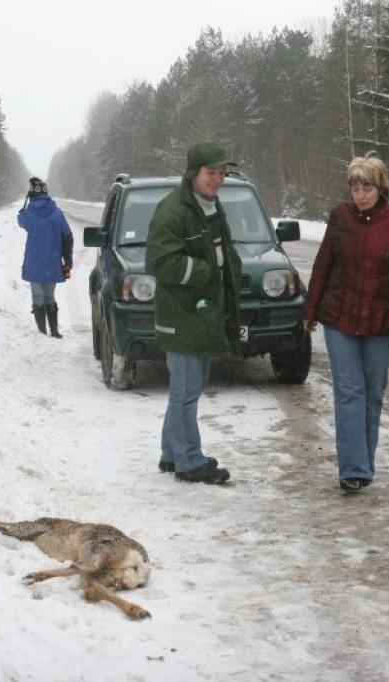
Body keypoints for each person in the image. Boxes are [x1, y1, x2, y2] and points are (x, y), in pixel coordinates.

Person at [301, 154, 389, 493]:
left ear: (380, 186)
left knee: (372, 393)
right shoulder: (340, 217)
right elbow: (323, 265)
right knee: (348, 391)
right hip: (339, 319)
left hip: (381, 322)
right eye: (355, 188)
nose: (360, 195)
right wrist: (310, 312)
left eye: (367, 188)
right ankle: (353, 469)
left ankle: (364, 464)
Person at [145, 142, 243, 485]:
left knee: (190, 386)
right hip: (181, 316)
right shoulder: (173, 210)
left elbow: (223, 250)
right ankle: (189, 461)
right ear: (193, 173)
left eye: (222, 173)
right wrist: (207, 273)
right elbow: (159, 262)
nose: (218, 180)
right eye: (211, 173)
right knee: (185, 390)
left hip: (201, 315)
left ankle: (172, 454)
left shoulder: (211, 205)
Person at [17, 177, 73, 338]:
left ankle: (42, 333)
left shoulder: (28, 214)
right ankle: (54, 331)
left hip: (34, 263)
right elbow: (68, 238)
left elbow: (20, 220)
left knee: (37, 297)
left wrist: (27, 202)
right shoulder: (57, 213)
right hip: (52, 263)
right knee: (50, 297)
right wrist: (68, 261)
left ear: (32, 194)